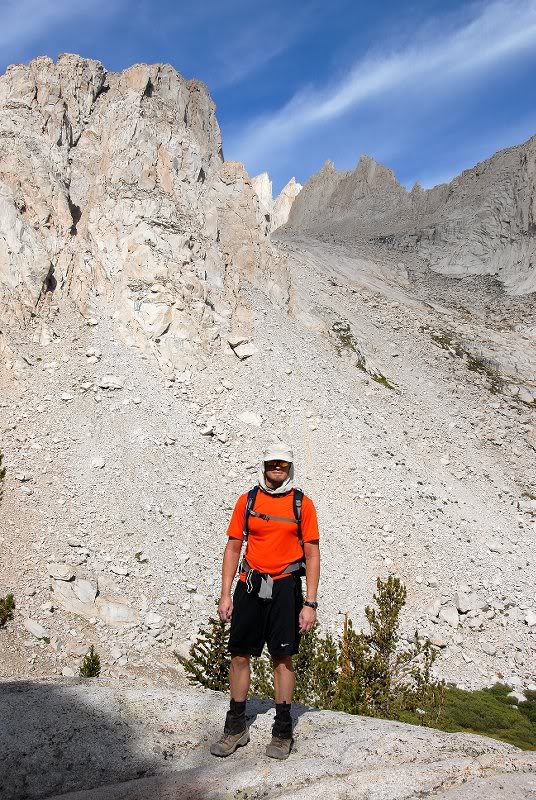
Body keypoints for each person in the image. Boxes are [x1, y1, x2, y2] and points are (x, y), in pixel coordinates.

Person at [210, 443, 320, 760]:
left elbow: (312, 555)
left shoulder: (303, 505)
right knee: (239, 655)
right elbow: (233, 547)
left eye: (282, 464)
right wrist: (225, 592)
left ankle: (282, 731)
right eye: (272, 462)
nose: (277, 468)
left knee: (282, 658)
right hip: (249, 584)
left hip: (286, 588)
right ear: (263, 465)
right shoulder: (248, 500)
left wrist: (309, 603)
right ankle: (235, 727)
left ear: (290, 468)